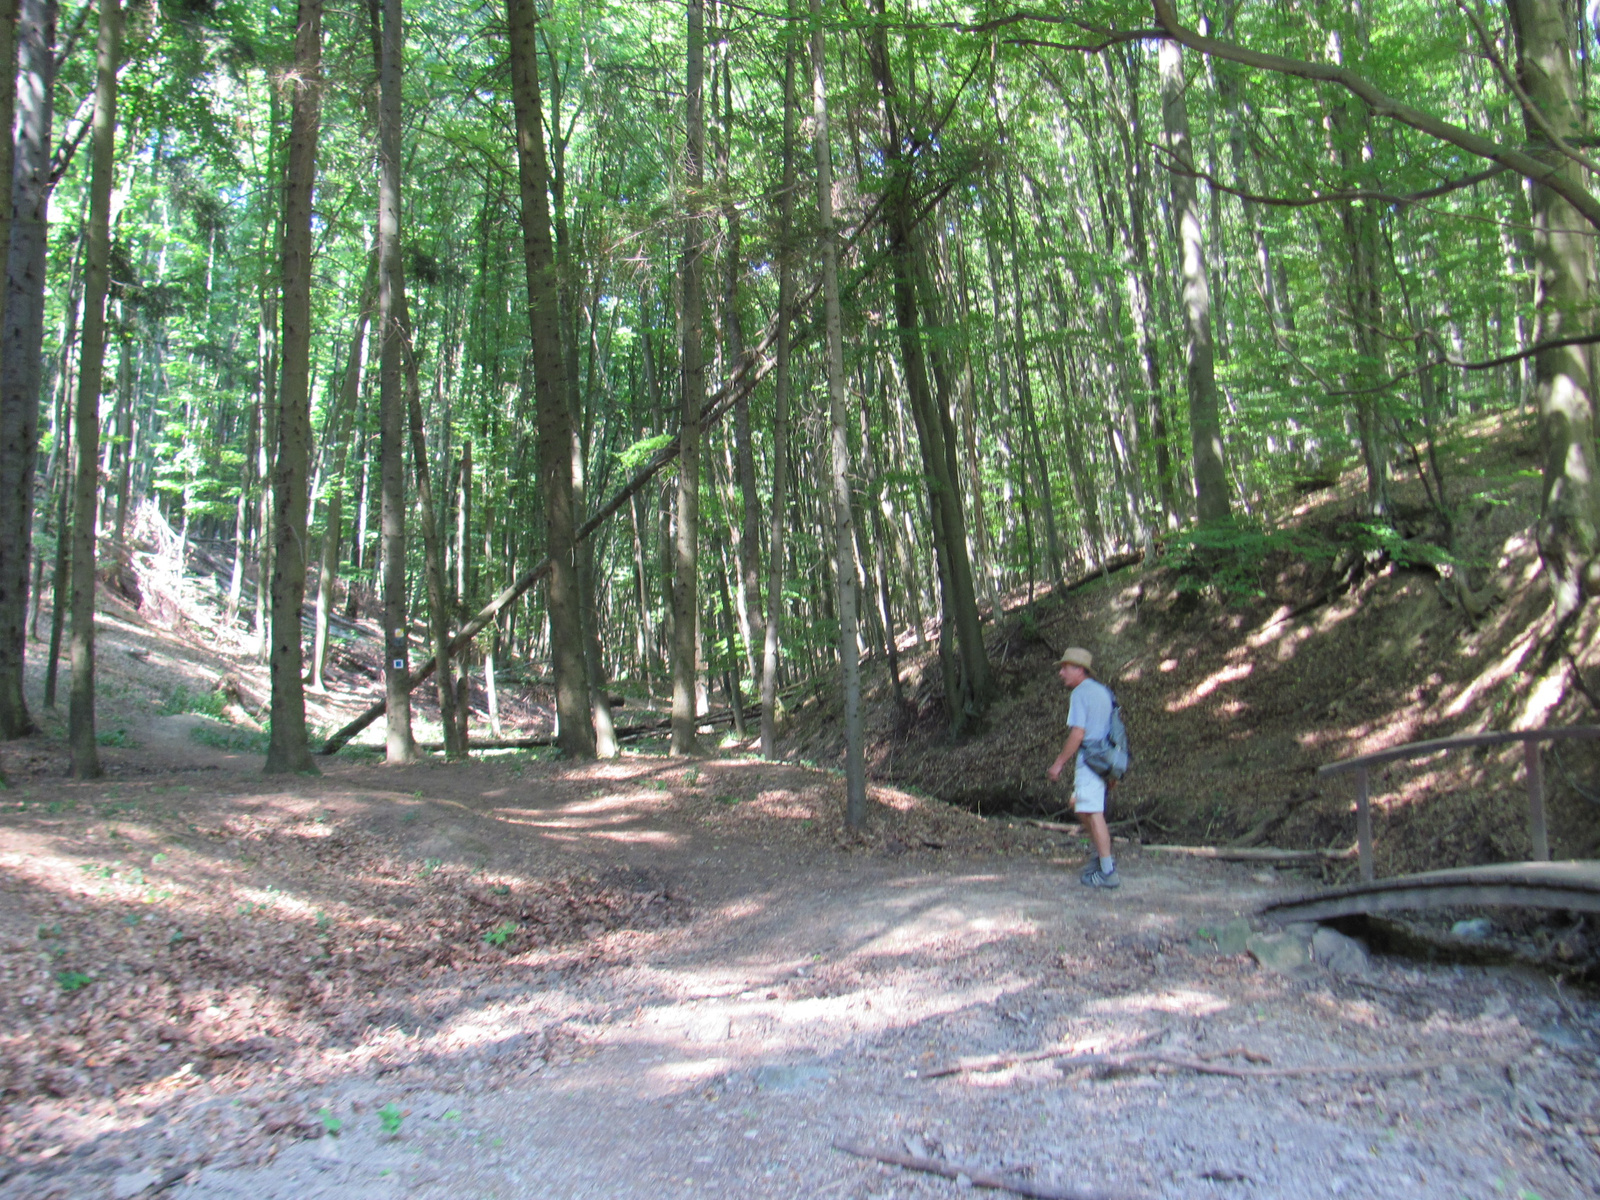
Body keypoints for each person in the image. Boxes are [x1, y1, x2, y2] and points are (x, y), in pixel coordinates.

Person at [1046, 647, 1120, 888]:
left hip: (1090, 760)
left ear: (1079, 670)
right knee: (1078, 804)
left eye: (1065, 667)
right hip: (1105, 759)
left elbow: (1078, 733)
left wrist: (1058, 763)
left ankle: (1107, 871)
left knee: (1092, 811)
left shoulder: (1080, 694)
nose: (1061, 672)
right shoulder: (1104, 692)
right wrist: (1113, 768)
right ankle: (1101, 855)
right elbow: (1115, 732)